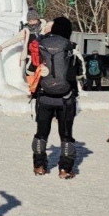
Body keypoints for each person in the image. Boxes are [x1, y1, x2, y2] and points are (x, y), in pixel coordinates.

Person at [29, 17, 83, 179]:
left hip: (44, 97)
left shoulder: (41, 45)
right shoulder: (71, 48)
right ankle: (65, 170)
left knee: (41, 133)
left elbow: (31, 69)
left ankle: (39, 166)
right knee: (66, 134)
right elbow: (79, 73)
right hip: (66, 99)